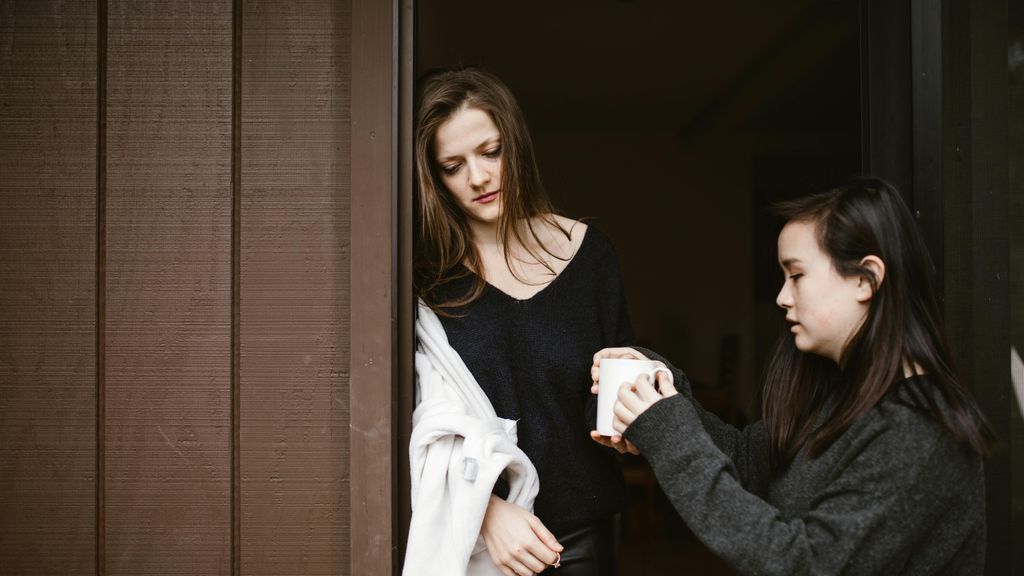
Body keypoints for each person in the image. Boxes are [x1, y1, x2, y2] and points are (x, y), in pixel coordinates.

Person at [591, 178, 996, 575]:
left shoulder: (915, 430)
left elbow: (802, 564)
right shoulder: (847, 396)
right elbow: (747, 460)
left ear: (865, 278)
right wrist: (663, 394)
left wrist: (669, 433)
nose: (783, 297)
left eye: (797, 275)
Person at [412, 67, 633, 576]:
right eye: (453, 165)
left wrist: (630, 423)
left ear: (515, 144)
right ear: (434, 177)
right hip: (473, 537)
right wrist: (484, 509)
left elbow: (610, 390)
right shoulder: (426, 280)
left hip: (578, 539)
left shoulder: (591, 257)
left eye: (491, 152)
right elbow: (421, 422)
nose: (478, 177)